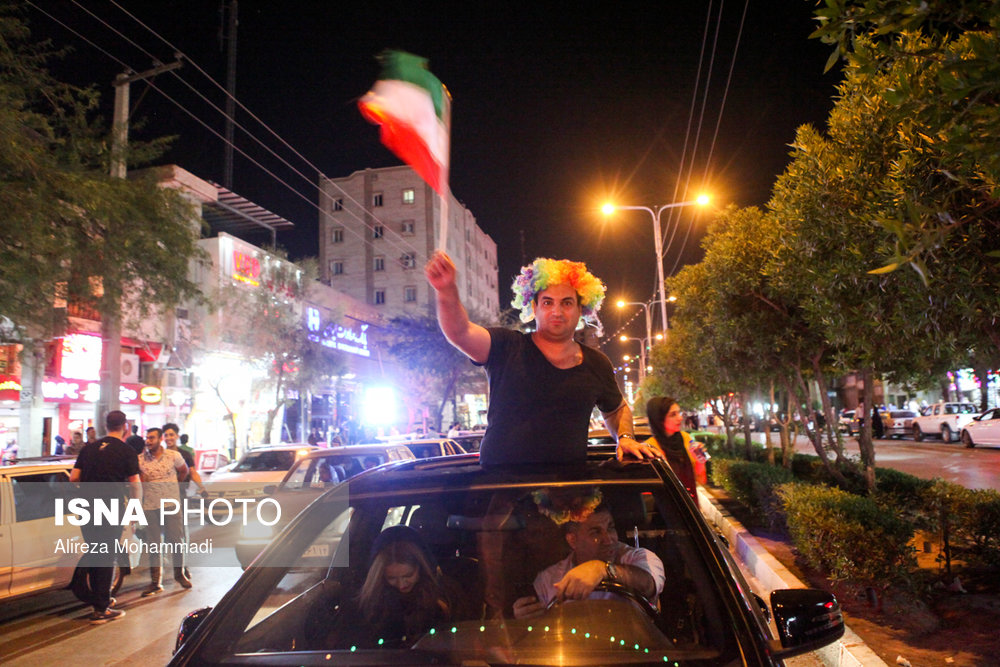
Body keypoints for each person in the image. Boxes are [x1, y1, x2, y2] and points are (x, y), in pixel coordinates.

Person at [425, 251, 657, 465]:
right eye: (548, 302)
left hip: (567, 497)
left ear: (581, 310)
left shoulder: (596, 363)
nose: (557, 312)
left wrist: (625, 437)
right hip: (501, 494)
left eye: (567, 303)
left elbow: (616, 409)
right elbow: (460, 333)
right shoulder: (506, 347)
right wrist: (446, 291)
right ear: (534, 307)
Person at [512, 501, 665, 619]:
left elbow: (648, 584)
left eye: (610, 528)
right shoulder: (548, 579)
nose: (609, 540)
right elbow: (542, 631)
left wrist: (602, 569)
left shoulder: (639, 558)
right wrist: (526, 618)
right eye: (596, 532)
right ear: (573, 540)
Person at [69, 410, 140, 623]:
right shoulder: (126, 451)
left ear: (105, 425)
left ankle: (100, 599)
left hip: (86, 507)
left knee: (95, 551)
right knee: (107, 555)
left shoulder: (88, 449)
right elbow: (135, 484)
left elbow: (74, 478)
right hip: (111, 507)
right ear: (125, 426)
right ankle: (101, 609)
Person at [355, 526, 466, 647]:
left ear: (421, 568)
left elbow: (461, 641)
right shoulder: (370, 602)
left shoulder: (446, 595)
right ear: (379, 576)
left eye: (408, 575)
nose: (401, 585)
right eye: (391, 578)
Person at [138, 427, 192, 595]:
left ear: (160, 439)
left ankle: (179, 574)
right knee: (154, 544)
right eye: (147, 438)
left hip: (171, 504)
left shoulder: (173, 456)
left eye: (152, 438)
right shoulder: (140, 459)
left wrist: (174, 485)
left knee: (176, 540)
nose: (148, 441)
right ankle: (155, 582)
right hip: (150, 506)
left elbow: (184, 471)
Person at [645, 397, 708, 505]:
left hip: (691, 508)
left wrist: (700, 460)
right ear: (659, 419)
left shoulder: (687, 439)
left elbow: (701, 480)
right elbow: (648, 491)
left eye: (679, 413)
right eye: (673, 414)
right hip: (667, 512)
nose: (679, 418)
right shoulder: (650, 447)